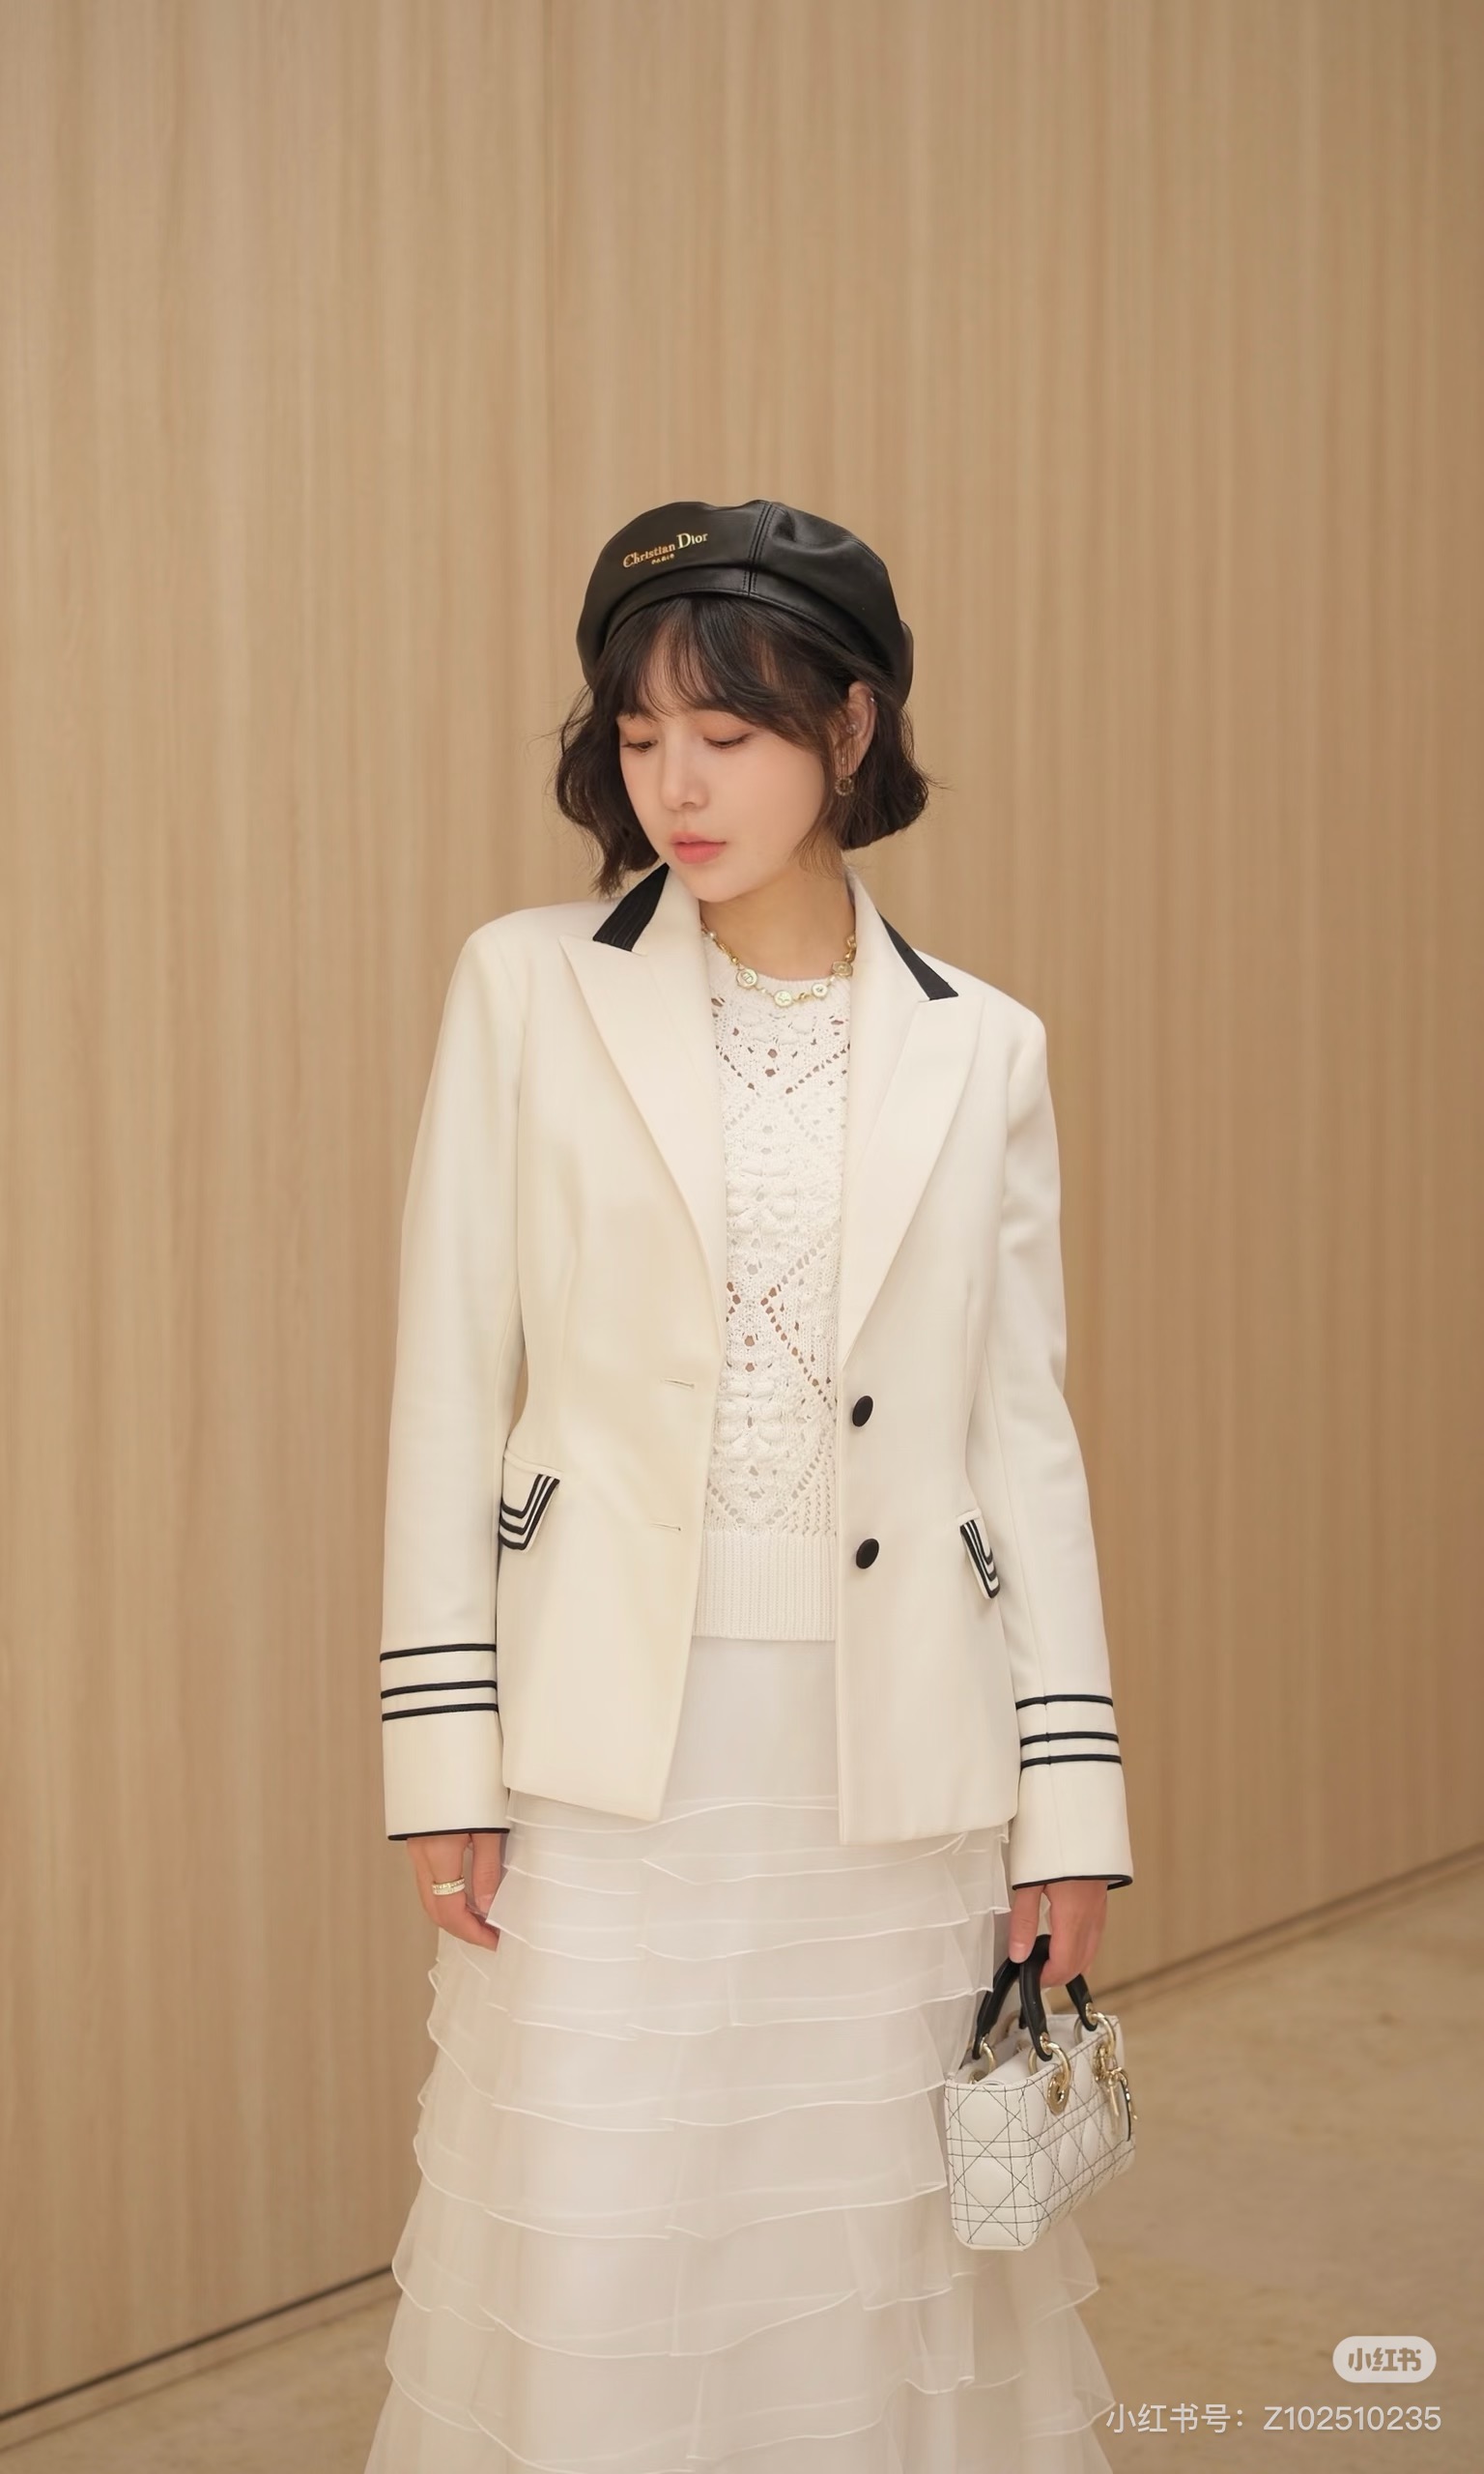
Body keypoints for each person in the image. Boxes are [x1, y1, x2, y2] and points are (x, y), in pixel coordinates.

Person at [363, 499, 1134, 2471]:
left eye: (729, 732)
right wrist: (442, 1752)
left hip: (891, 1765)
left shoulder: (985, 1051)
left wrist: (1072, 1802)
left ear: (849, 727)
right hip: (606, 1743)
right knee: (600, 2236)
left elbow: (1021, 1441)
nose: (676, 786)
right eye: (639, 736)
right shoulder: (528, 986)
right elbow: (450, 1383)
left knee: (855, 2254)